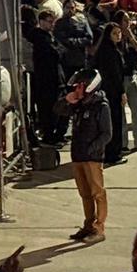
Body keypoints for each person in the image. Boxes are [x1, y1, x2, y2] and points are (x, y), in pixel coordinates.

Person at [56, 67, 112, 244]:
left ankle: (99, 227)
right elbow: (58, 110)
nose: (76, 90)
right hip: (78, 155)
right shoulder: (79, 105)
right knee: (84, 193)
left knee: (97, 193)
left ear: (89, 86)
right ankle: (88, 225)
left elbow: (106, 134)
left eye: (79, 86)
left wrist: (92, 149)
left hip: (92, 157)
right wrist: (66, 100)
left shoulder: (101, 106)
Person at [114, 9, 137, 151]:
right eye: (125, 21)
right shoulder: (115, 37)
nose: (128, 23)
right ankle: (123, 143)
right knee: (121, 112)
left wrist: (130, 36)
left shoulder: (129, 36)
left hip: (131, 75)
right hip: (120, 78)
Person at [28, 9, 66, 144]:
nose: (52, 25)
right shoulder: (39, 37)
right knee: (47, 109)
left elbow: (62, 49)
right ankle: (48, 135)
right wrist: (57, 50)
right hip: (46, 79)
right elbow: (55, 53)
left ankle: (54, 134)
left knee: (56, 108)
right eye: (49, 22)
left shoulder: (50, 36)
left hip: (55, 77)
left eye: (53, 22)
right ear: (41, 22)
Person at [94, 23, 128, 164]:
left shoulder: (105, 50)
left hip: (105, 90)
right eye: (115, 33)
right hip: (112, 91)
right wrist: (122, 92)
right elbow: (115, 75)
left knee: (108, 122)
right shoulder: (111, 52)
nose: (118, 35)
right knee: (114, 122)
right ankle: (113, 154)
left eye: (119, 33)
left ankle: (109, 152)